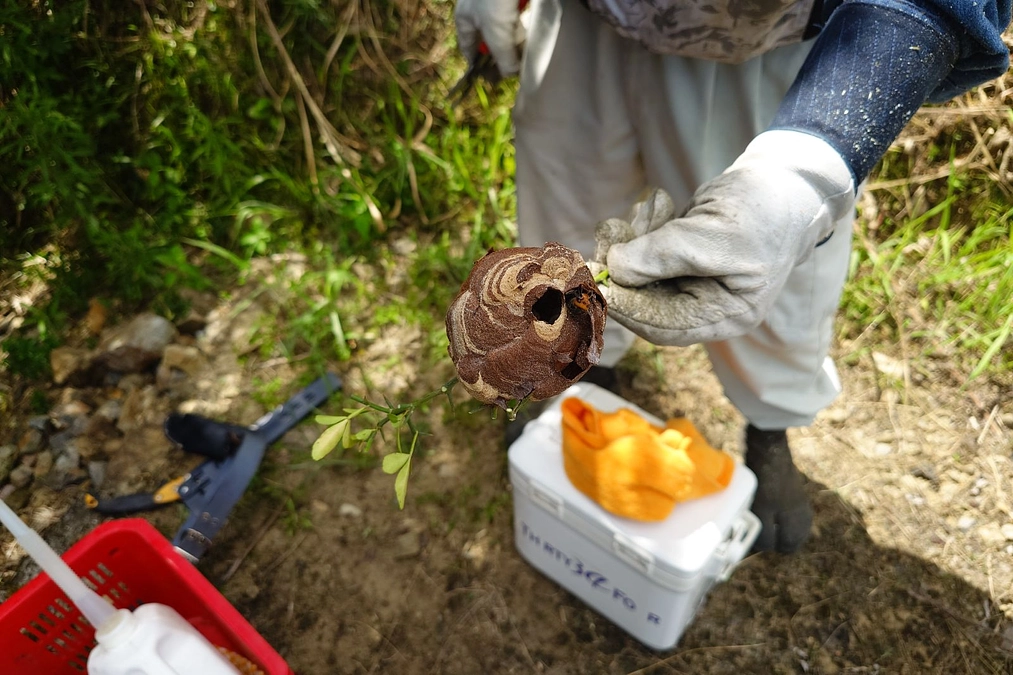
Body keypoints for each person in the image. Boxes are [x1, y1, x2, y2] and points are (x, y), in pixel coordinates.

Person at [453, 0, 1011, 553]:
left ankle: (770, 423)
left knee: (760, 248)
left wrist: (807, 169)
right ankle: (585, 380)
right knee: (568, 217)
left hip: (757, 39)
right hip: (583, 19)